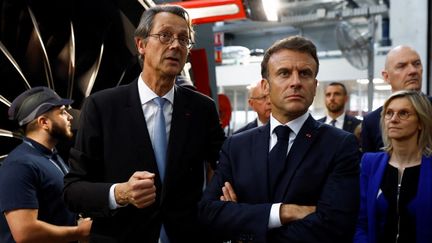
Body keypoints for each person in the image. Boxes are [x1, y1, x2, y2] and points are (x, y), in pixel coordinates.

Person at [63, 5, 225, 243]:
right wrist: (119, 193)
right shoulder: (102, 107)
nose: (175, 45)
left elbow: (223, 165)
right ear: (141, 45)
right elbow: (73, 190)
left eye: (184, 39)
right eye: (165, 36)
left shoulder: (202, 109)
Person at [198, 36, 360, 242]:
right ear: (265, 86)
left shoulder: (339, 145)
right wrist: (282, 212)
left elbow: (335, 226)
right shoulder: (237, 146)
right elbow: (208, 213)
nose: (296, 82)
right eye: (284, 73)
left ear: (315, 84)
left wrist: (243, 224)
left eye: (305, 74)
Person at [0, 87, 92, 243]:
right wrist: (78, 232)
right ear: (44, 122)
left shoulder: (51, 156)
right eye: (62, 112)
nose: (70, 117)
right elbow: (25, 233)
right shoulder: (20, 165)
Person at [354, 90, 432, 243]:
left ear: (421, 122)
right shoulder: (370, 163)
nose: (393, 119)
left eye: (403, 113)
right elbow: (360, 222)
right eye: (389, 113)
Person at [361, 45, 426, 152]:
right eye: (402, 66)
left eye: (417, 64)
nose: (413, 71)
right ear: (386, 77)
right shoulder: (372, 122)